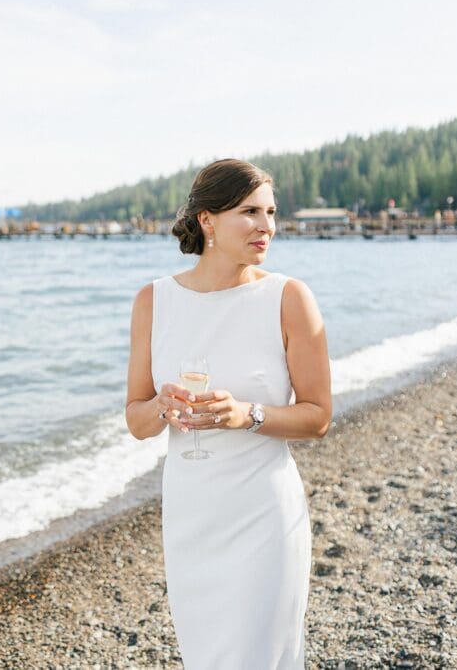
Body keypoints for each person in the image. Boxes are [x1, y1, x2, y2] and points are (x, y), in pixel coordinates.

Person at [124, 158, 332, 668]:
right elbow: (135, 420)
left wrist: (248, 415)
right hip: (192, 515)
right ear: (207, 220)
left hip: (264, 512)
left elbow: (318, 416)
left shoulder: (288, 298)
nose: (267, 227)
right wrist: (161, 407)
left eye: (271, 212)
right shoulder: (154, 301)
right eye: (250, 212)